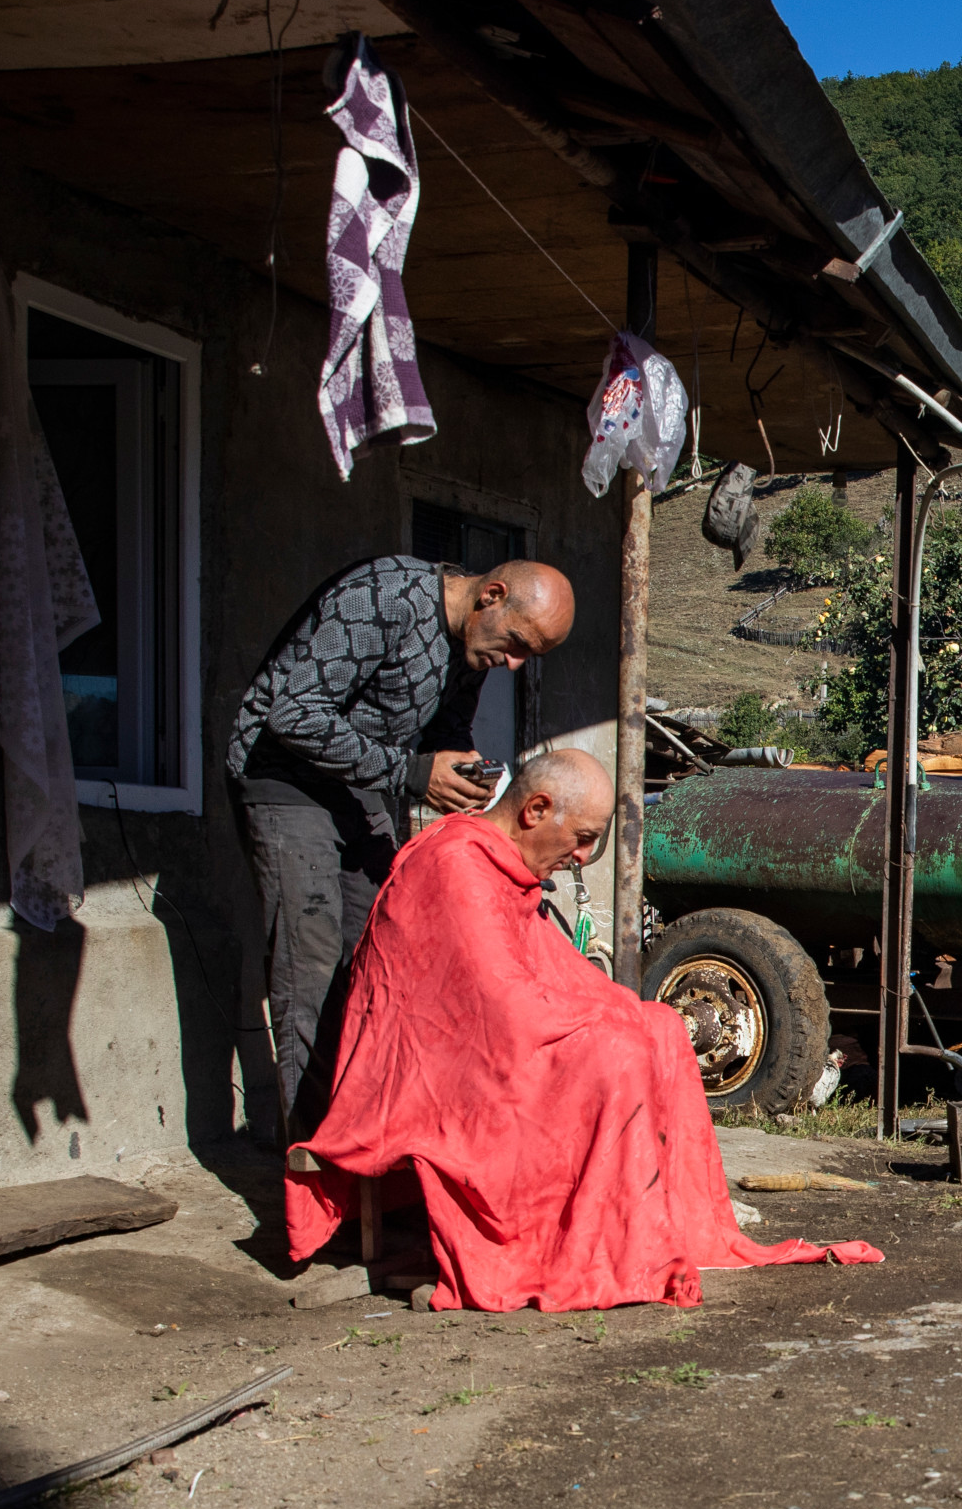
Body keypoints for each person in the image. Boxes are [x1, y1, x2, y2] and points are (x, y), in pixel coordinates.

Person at [284, 751, 881, 1311]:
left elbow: (553, 981)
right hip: (450, 1075)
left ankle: (628, 1228)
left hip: (497, 1043)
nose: (581, 856)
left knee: (662, 1030)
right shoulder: (453, 864)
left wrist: (624, 1013)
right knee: (616, 1050)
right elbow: (492, 1014)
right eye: (582, 838)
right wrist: (604, 1022)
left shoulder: (505, 869)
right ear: (536, 810)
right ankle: (567, 1240)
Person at [227, 554, 575, 1139]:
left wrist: (462, 769)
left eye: (529, 657)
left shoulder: (474, 642)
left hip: (356, 785)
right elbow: (293, 715)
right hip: (282, 778)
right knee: (309, 966)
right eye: (516, 644)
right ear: (491, 595)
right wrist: (412, 774)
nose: (513, 665)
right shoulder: (386, 599)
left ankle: (365, 1143)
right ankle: (314, 1167)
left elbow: (444, 736)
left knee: (383, 944)